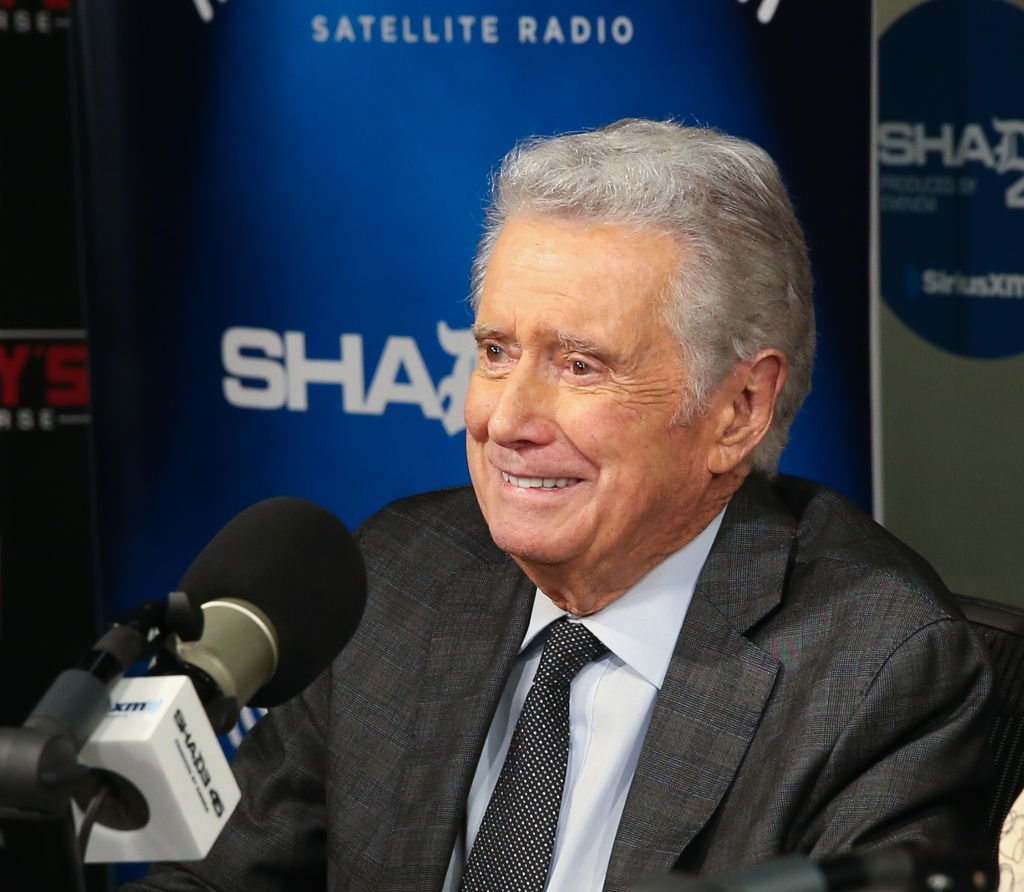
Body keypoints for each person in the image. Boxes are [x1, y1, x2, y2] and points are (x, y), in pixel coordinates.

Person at [129, 119, 994, 892]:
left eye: (581, 365)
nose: (505, 419)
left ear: (738, 410)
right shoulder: (400, 575)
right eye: (497, 351)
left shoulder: (876, 668)